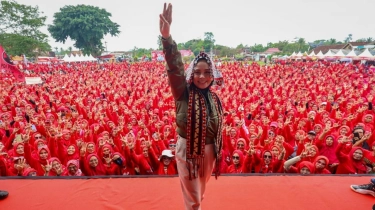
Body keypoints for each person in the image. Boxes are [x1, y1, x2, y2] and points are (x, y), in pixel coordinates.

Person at [159, 3, 224, 210]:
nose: (202, 77)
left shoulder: (214, 98)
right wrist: (167, 38)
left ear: (212, 75)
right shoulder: (183, 92)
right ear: (191, 74)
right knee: (193, 198)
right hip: (188, 150)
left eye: (206, 72)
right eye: (197, 72)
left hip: (210, 150)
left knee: (199, 194)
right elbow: (174, 67)